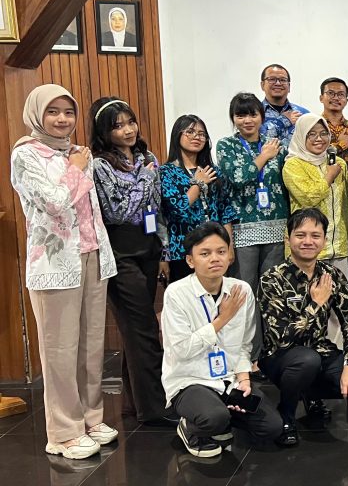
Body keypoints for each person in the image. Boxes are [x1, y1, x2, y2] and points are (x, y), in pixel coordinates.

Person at [11, 85, 118, 459]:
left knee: (90, 345)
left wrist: (76, 163)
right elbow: (54, 203)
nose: (62, 119)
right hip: (55, 264)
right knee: (60, 350)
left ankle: (90, 418)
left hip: (91, 255)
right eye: (53, 112)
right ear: (37, 115)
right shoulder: (26, 154)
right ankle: (62, 431)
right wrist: (75, 169)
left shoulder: (76, 152)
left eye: (68, 112)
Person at [161, 222, 282, 458]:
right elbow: (182, 350)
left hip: (228, 379)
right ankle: (191, 428)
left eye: (221, 251)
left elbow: (245, 344)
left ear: (230, 255)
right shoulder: (176, 293)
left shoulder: (241, 290)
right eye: (205, 254)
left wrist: (244, 380)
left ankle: (223, 417)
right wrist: (222, 319)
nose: (214, 258)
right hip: (190, 379)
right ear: (190, 261)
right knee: (213, 417)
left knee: (271, 427)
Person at [90, 97, 172, 426]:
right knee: (144, 328)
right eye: (118, 126)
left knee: (135, 331)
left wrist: (163, 250)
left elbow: (155, 208)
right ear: (104, 132)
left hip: (148, 247)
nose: (128, 130)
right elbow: (117, 212)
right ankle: (154, 408)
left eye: (130, 122)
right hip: (120, 253)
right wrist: (145, 179)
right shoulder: (100, 165)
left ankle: (133, 402)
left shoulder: (146, 158)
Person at [257, 209, 348, 446]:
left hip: (319, 350)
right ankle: (287, 416)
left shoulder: (332, 275)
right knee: (307, 361)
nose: (308, 241)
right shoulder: (272, 278)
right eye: (300, 235)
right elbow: (280, 337)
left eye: (315, 235)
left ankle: (309, 393)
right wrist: (315, 304)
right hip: (279, 355)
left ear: (324, 240)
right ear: (288, 239)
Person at [216, 93, 288, 293]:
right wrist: (264, 156)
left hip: (276, 226)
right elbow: (238, 177)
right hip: (242, 228)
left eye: (253, 115)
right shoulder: (226, 145)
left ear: (261, 117)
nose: (247, 120)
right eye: (240, 116)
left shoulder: (276, 145)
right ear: (233, 118)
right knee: (244, 289)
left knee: (272, 290)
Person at [161, 115, 237, 282]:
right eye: (190, 132)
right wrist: (198, 184)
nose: (197, 137)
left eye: (202, 134)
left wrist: (229, 246)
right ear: (177, 135)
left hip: (215, 247)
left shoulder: (213, 171)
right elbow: (177, 209)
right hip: (183, 249)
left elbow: (226, 212)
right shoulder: (167, 172)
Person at [282, 114, 348, 275]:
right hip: (306, 248)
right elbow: (308, 199)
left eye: (324, 133)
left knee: (339, 289)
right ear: (301, 135)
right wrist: (329, 176)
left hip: (339, 247)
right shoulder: (293, 165)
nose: (319, 139)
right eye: (312, 134)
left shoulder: (339, 163)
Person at [259, 64, 308, 147]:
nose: (278, 83)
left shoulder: (303, 114)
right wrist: (284, 120)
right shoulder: (253, 113)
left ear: (289, 86)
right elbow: (254, 139)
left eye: (283, 80)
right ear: (262, 85)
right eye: (272, 79)